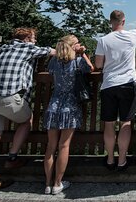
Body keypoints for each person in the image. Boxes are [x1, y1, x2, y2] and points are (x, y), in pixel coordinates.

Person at [0, 27, 56, 194]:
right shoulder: (27, 48)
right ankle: (12, 158)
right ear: (26, 39)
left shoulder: (3, 48)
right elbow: (52, 51)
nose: (35, 41)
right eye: (34, 38)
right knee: (26, 120)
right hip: (9, 98)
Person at [95, 10, 136, 171]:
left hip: (109, 85)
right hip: (127, 84)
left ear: (110, 21)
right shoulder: (132, 36)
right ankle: (122, 160)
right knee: (126, 122)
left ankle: (110, 159)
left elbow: (98, 65)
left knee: (109, 124)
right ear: (123, 21)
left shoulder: (103, 40)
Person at [43, 34, 93, 195]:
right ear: (73, 46)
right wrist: (82, 53)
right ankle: (58, 183)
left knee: (50, 147)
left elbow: (50, 72)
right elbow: (91, 68)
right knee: (64, 146)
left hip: (54, 105)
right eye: (78, 43)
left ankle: (47, 183)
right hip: (70, 107)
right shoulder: (78, 62)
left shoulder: (54, 62)